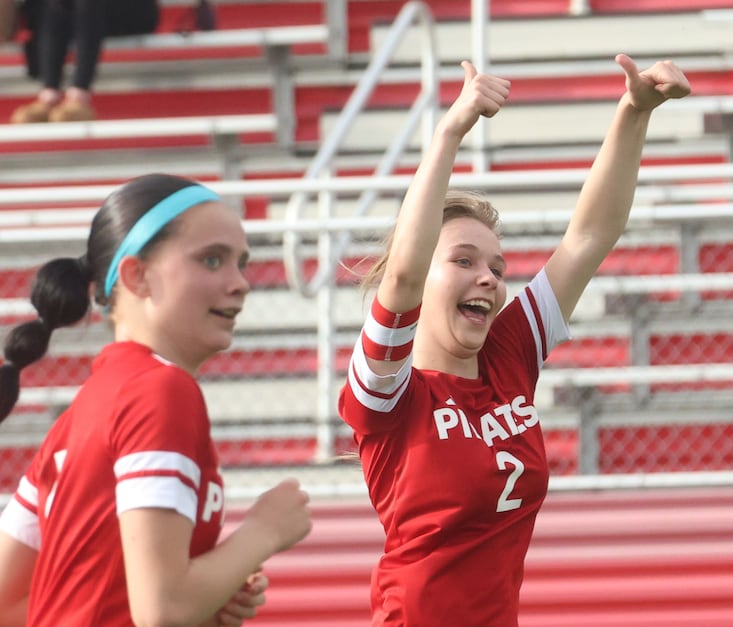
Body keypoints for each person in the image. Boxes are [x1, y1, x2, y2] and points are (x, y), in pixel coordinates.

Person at [338, 54, 691, 626]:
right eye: (462, 260)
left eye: (497, 268)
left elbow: (588, 237)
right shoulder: (384, 393)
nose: (488, 277)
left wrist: (633, 111)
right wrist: (451, 131)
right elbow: (401, 277)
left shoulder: (508, 356)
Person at [0, 173, 312, 626]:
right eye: (211, 260)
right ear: (136, 275)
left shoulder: (84, 409)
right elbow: (163, 611)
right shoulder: (161, 391)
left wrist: (208, 591)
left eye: (241, 263)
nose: (240, 282)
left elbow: (12, 605)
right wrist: (262, 533)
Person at [11, 0, 160, 123]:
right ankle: (49, 94)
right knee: (53, 5)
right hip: (76, 16)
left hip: (130, 12)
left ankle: (79, 93)